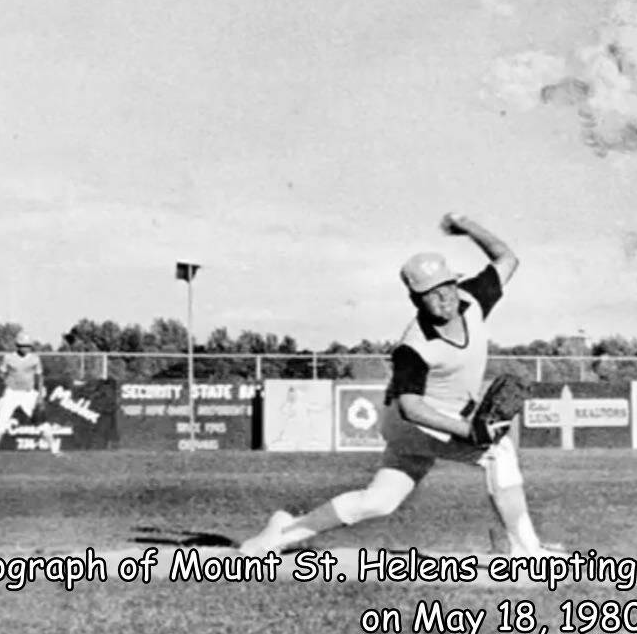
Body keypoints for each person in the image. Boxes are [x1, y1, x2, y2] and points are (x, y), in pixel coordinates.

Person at [240, 212, 561, 558]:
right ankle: (526, 550)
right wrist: (466, 430)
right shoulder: (414, 346)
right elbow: (411, 407)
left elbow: (507, 258)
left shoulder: (472, 300)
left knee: (379, 501)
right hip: (414, 422)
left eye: (446, 286)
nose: (443, 297)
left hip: (429, 422)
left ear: (455, 282)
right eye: (430, 293)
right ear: (415, 299)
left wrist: (466, 225)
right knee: (499, 452)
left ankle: (281, 533)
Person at [0, 332, 59, 457]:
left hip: (28, 393)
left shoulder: (35, 358)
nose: (25, 348)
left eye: (28, 346)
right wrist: (2, 376)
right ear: (17, 346)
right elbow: (1, 373)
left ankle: (55, 450)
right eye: (23, 345)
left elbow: (39, 377)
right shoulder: (8, 358)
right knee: (1, 421)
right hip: (11, 393)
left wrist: (39, 395)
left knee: (41, 421)